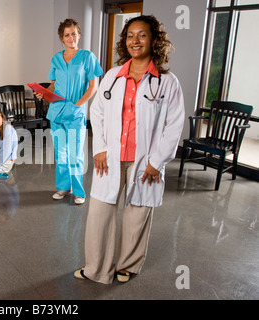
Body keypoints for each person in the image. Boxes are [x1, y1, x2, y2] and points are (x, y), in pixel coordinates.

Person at [74, 15, 185, 284]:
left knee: (138, 212)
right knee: (99, 213)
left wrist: (156, 162)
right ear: (125, 41)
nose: (135, 40)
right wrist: (99, 148)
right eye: (130, 35)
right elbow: (97, 111)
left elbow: (175, 124)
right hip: (110, 157)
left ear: (154, 40)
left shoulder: (167, 82)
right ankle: (96, 268)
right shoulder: (113, 76)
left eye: (142, 35)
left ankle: (128, 265)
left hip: (144, 160)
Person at [34, 18, 103, 205]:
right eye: (67, 35)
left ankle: (78, 191)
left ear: (79, 35)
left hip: (75, 113)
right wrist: (44, 92)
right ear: (61, 38)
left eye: (74, 33)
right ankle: (64, 186)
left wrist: (77, 105)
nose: (71, 37)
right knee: (61, 153)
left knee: (75, 154)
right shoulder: (56, 58)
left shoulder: (88, 57)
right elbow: (54, 83)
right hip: (56, 112)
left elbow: (93, 87)